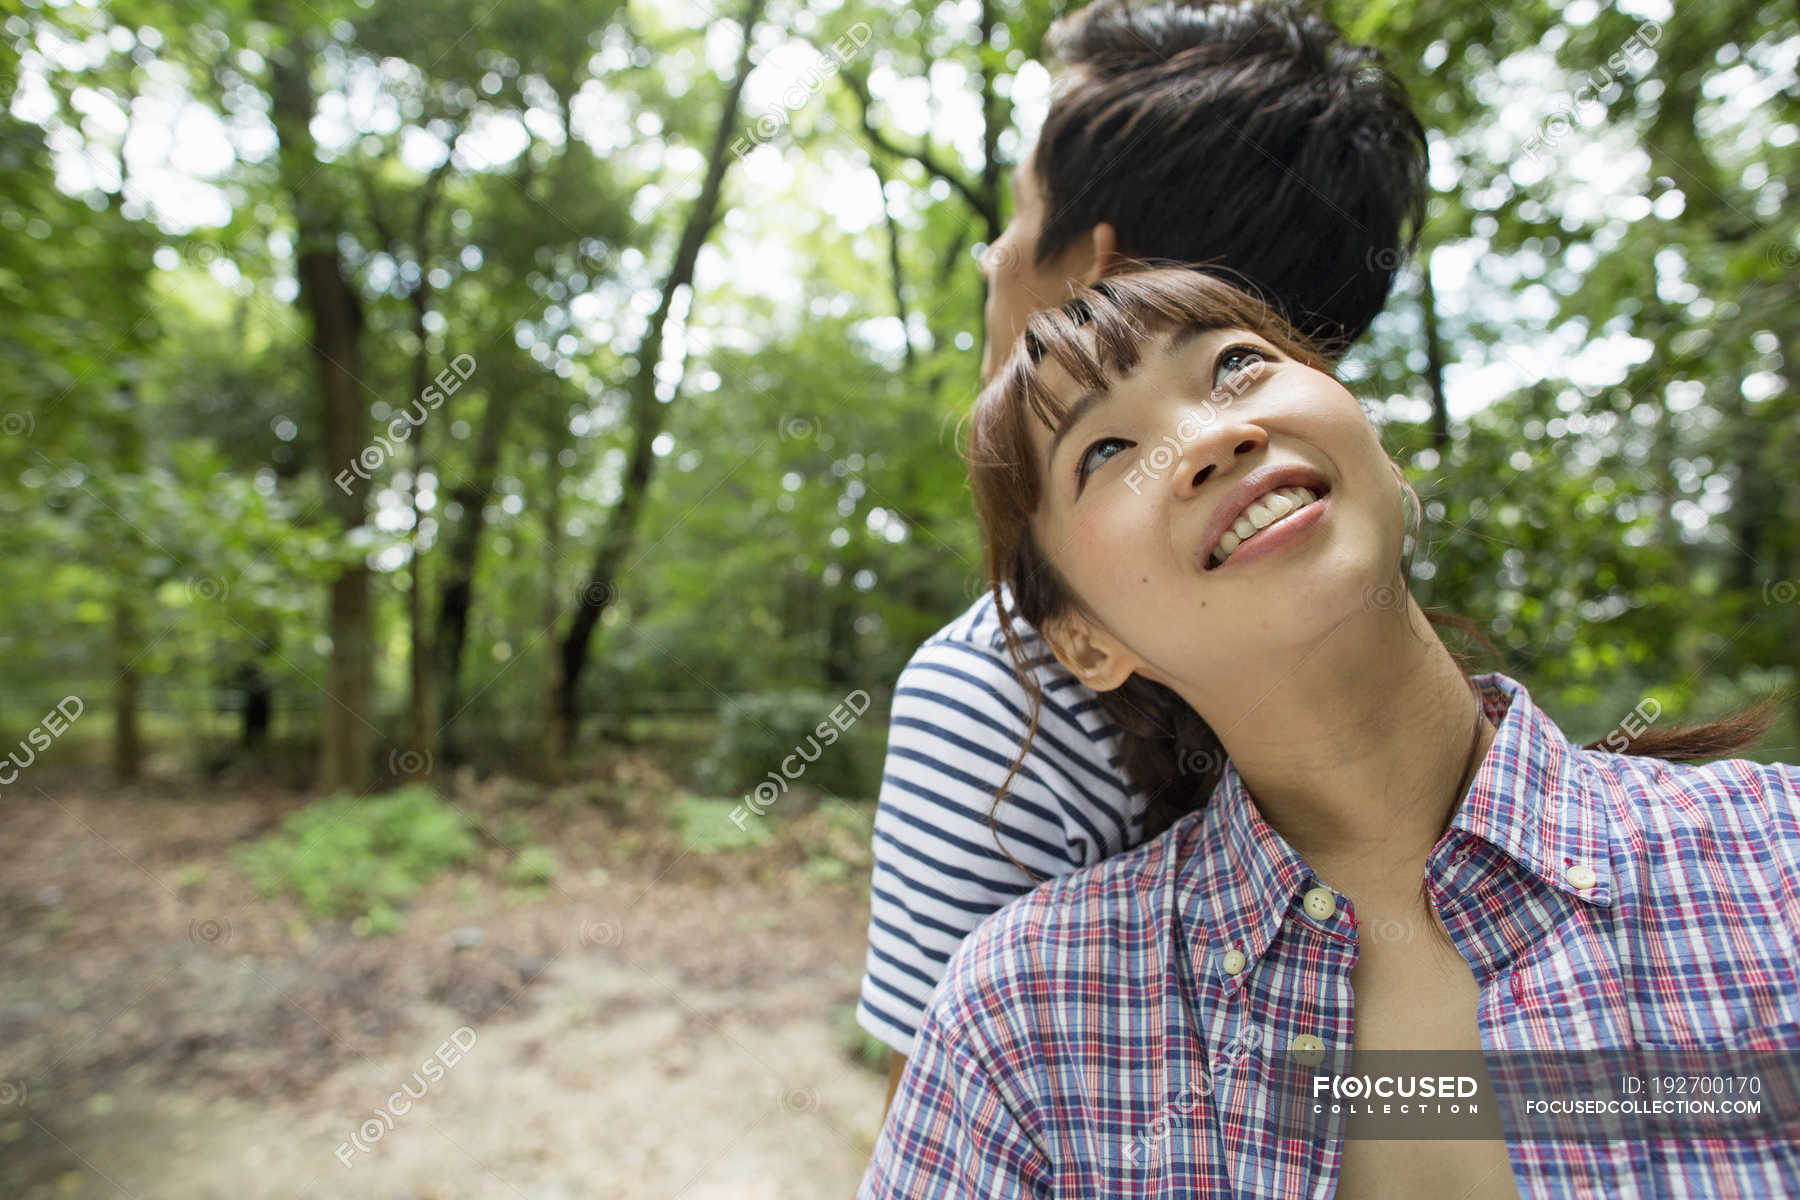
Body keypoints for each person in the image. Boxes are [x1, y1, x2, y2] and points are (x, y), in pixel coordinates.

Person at [858, 266, 1799, 1197]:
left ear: (1377, 449)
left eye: (1234, 366)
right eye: (1104, 451)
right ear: (1084, 641)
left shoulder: (1779, 861)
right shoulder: (1022, 1022)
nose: (1213, 436)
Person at [857, 0, 1430, 1109]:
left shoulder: (997, 693)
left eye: (1017, 214)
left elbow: (918, 1118)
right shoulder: (1342, 556)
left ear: (1096, 275)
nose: (993, 253)